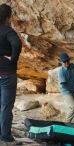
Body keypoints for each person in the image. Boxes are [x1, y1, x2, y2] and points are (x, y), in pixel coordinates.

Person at [0, 3, 22, 144]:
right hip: (7, 74)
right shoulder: (8, 31)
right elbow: (17, 44)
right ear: (8, 17)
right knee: (6, 107)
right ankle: (6, 138)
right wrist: (13, 59)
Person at [58, 52, 74, 123]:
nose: (66, 62)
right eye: (64, 61)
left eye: (67, 60)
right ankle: (65, 124)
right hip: (66, 91)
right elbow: (64, 85)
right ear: (61, 62)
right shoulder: (61, 71)